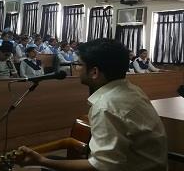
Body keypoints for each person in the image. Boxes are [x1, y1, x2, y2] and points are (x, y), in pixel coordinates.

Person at [16, 38, 167, 171]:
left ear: (94, 72)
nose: (77, 68)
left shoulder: (106, 106)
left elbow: (101, 167)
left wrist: (42, 161)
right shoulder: (133, 90)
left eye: (80, 64)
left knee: (50, 164)